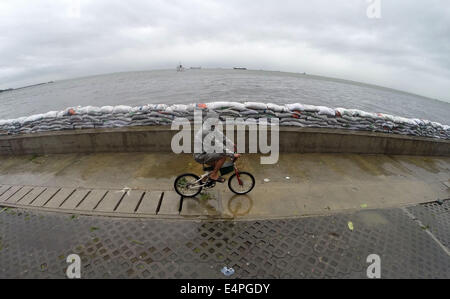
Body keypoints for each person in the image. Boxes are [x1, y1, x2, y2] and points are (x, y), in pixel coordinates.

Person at [193, 114, 240, 183]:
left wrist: (232, 145)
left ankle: (204, 179)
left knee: (217, 165)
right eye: (217, 121)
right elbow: (218, 145)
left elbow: (222, 137)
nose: (218, 122)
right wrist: (232, 154)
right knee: (223, 156)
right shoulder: (205, 131)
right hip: (200, 155)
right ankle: (213, 175)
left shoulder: (212, 127)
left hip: (206, 152)